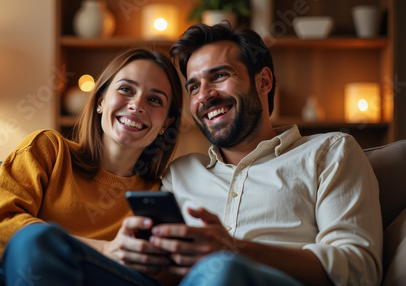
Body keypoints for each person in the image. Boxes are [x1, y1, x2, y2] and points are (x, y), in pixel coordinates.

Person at [0, 47, 183, 285]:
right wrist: (105, 248)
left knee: (36, 238)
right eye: (126, 89)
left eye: (154, 99)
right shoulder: (49, 149)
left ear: (166, 124)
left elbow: (161, 276)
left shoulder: (157, 197)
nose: (137, 105)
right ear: (100, 101)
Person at [143, 23, 382, 286]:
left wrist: (235, 249)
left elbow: (359, 270)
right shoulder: (179, 175)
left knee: (223, 268)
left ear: (263, 81)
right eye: (194, 87)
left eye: (219, 76)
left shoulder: (329, 152)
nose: (205, 96)